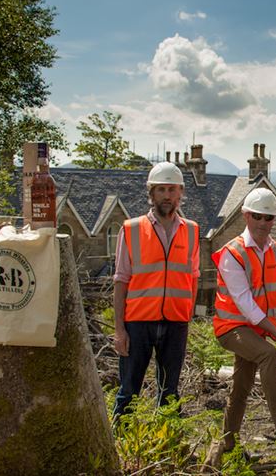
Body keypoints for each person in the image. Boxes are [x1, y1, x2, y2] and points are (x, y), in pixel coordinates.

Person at [204, 188, 276, 469]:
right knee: (268, 355)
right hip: (232, 328)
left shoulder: (274, 249)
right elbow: (246, 304)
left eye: (269, 217)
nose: (263, 222)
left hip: (256, 329)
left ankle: (227, 444)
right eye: (258, 216)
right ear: (246, 216)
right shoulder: (232, 254)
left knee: (241, 386)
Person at [112, 162, 200, 419]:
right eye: (160, 189)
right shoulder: (132, 229)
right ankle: (123, 447)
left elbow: (193, 278)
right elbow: (121, 281)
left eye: (172, 189)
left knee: (170, 394)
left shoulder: (192, 231)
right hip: (138, 323)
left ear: (180, 192)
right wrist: (120, 329)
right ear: (151, 193)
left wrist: (187, 316)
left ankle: (167, 447)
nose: (167, 195)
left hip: (175, 323)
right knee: (128, 392)